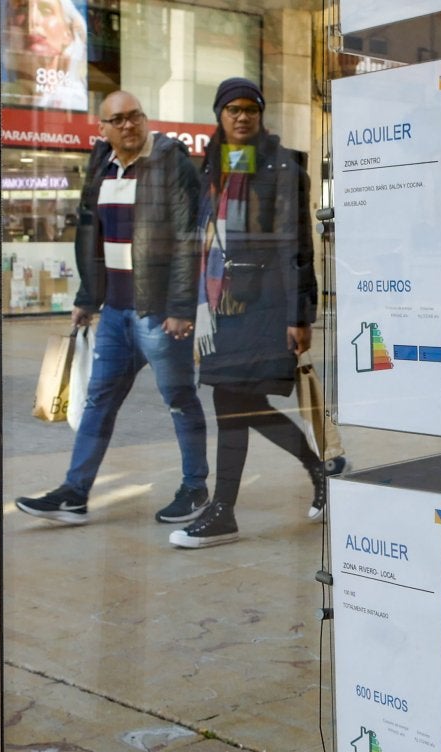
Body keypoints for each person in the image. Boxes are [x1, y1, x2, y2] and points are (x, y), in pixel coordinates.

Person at [17, 90, 210, 527]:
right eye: (117, 119)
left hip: (159, 313)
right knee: (99, 401)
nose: (128, 125)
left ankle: (195, 487)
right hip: (116, 314)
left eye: (135, 116)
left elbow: (187, 239)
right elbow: (92, 233)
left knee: (180, 399)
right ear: (102, 128)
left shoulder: (170, 161)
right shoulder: (101, 164)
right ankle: (75, 493)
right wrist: (88, 297)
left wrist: (181, 307)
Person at [168, 78, 327, 549]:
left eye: (250, 109)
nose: (241, 117)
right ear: (219, 114)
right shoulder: (213, 164)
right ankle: (315, 471)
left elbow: (298, 244)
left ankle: (224, 511)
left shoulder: (282, 165)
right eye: (232, 109)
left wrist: (300, 315)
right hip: (222, 305)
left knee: (234, 404)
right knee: (238, 404)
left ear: (260, 114)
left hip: (264, 303)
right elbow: (202, 238)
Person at [6, 0, 89, 110]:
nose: (32, 21)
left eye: (46, 11)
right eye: (22, 9)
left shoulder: (74, 102)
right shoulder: (2, 96)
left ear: (68, 33)